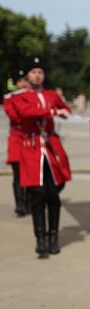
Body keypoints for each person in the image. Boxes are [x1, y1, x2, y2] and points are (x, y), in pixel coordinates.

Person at [10, 56, 71, 257]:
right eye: (33, 71)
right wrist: (54, 111)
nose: (37, 75)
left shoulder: (52, 94)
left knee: (53, 194)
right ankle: (41, 239)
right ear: (27, 75)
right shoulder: (18, 96)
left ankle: (53, 237)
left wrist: (61, 110)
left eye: (40, 71)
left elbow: (67, 109)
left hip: (51, 147)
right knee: (37, 194)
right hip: (32, 147)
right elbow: (26, 113)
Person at [3, 67, 30, 216]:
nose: (23, 84)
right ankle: (20, 204)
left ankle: (29, 201)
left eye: (25, 80)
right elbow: (14, 116)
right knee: (18, 174)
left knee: (31, 173)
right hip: (17, 139)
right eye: (20, 81)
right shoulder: (9, 98)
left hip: (30, 137)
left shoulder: (32, 96)